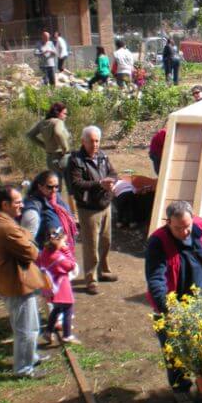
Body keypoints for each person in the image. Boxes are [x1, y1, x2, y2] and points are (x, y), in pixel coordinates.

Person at [145, 201, 202, 403]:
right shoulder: (158, 242)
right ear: (168, 222)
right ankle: (180, 388)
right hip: (174, 305)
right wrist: (169, 309)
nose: (185, 231)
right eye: (178, 227)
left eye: (187, 225)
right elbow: (156, 280)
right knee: (174, 349)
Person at [0, 185, 50, 378]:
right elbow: (31, 251)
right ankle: (23, 369)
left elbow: (25, 238)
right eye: (17, 202)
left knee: (31, 324)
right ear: (5, 204)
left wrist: (25, 237)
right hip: (17, 283)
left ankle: (31, 357)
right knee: (25, 329)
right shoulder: (6, 227)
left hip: (15, 281)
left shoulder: (6, 222)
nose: (22, 205)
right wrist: (30, 242)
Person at [67, 125, 118, 295]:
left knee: (106, 241)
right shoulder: (75, 160)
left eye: (97, 141)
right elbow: (75, 184)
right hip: (88, 209)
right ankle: (91, 279)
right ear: (83, 141)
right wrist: (99, 184)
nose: (95, 144)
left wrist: (111, 181)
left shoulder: (103, 156)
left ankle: (103, 271)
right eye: (91, 141)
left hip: (105, 205)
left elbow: (113, 172)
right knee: (91, 246)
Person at [38, 227, 80, 345]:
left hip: (51, 286)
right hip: (61, 288)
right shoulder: (59, 258)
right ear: (58, 242)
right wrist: (67, 251)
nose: (65, 244)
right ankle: (67, 335)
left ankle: (48, 331)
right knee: (68, 309)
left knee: (56, 309)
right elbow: (71, 265)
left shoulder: (45, 252)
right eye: (63, 242)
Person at [21, 170, 77, 251]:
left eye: (57, 186)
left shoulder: (56, 198)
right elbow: (28, 241)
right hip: (48, 255)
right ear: (40, 187)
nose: (54, 190)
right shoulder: (33, 207)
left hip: (65, 250)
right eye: (50, 187)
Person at [26, 102, 72, 181]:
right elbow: (58, 132)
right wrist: (65, 148)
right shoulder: (58, 122)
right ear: (57, 113)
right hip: (62, 157)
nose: (66, 116)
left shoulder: (42, 123)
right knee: (74, 183)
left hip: (50, 159)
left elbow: (30, 135)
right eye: (64, 113)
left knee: (55, 185)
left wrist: (44, 145)